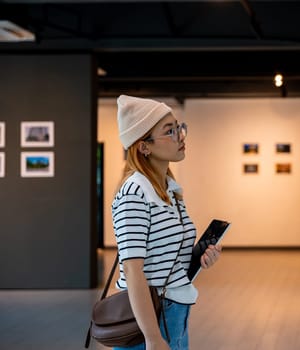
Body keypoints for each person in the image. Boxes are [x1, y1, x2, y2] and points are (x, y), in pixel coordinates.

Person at [112, 95, 222, 350]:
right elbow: (132, 270)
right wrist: (152, 337)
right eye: (169, 132)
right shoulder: (135, 193)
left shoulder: (169, 189)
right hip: (150, 319)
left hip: (174, 313)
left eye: (179, 128)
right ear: (144, 146)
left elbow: (167, 258)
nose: (181, 137)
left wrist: (200, 257)